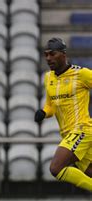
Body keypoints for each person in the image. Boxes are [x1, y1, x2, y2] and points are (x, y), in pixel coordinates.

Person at [34, 38, 92, 191]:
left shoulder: (82, 74)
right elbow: (50, 105)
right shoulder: (48, 78)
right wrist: (44, 112)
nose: (48, 58)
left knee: (56, 168)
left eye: (52, 54)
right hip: (67, 135)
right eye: (46, 55)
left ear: (63, 54)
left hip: (82, 130)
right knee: (90, 172)